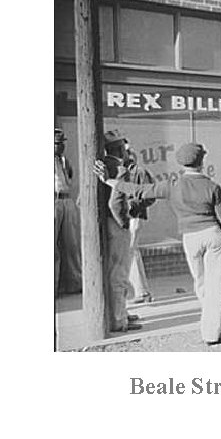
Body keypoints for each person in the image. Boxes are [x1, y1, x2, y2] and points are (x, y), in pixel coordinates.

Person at [94, 142, 221, 345]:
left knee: (201, 285)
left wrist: (109, 180)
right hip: (213, 236)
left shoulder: (173, 186)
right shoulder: (213, 187)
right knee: (215, 286)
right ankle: (212, 334)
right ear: (202, 162)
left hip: (190, 238)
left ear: (182, 164)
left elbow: (138, 190)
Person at [102, 130, 139, 332]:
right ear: (119, 148)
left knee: (114, 271)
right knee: (119, 273)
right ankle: (119, 319)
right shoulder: (118, 168)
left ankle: (120, 312)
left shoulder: (104, 164)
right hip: (116, 224)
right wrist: (124, 222)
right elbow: (116, 202)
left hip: (108, 224)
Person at [124, 146, 156, 304]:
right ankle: (141, 290)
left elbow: (150, 195)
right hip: (124, 217)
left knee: (130, 252)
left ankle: (141, 291)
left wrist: (133, 204)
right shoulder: (120, 172)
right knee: (130, 252)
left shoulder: (140, 172)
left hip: (134, 216)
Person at [54, 128, 82, 296]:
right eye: (58, 143)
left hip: (66, 200)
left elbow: (69, 178)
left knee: (71, 244)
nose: (61, 146)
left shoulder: (64, 160)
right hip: (53, 200)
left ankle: (74, 283)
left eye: (62, 142)